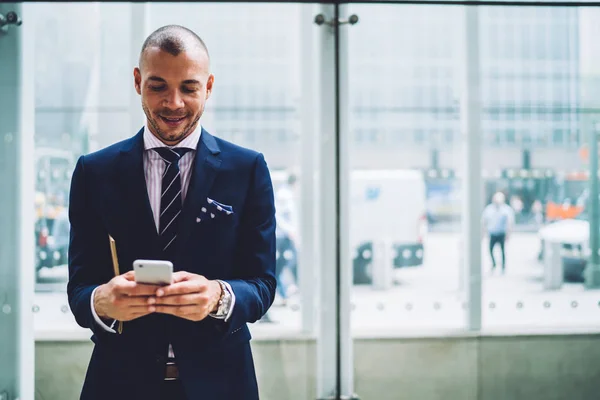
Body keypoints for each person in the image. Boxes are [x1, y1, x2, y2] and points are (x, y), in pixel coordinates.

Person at [67, 25, 276, 400]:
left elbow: (262, 284)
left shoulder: (247, 169)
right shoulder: (94, 172)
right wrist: (101, 301)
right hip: (118, 383)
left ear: (209, 86)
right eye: (158, 85)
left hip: (222, 383)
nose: (174, 103)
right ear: (137, 81)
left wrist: (218, 296)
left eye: (190, 88)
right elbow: (80, 288)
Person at [481, 191, 515, 275]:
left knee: (502, 251)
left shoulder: (506, 210)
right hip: (492, 233)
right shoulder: (489, 209)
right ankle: (494, 264)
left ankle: (503, 267)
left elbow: (510, 223)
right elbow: (484, 221)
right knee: (490, 250)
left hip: (501, 233)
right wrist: (483, 233)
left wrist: (508, 234)